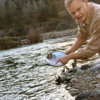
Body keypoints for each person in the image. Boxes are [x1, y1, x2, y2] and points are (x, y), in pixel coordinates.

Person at [56, 0, 100, 65]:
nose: (77, 14)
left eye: (79, 9)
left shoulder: (98, 18)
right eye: (73, 13)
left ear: (86, 2)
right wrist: (70, 51)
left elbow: (91, 50)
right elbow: (82, 36)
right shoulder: (81, 15)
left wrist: (69, 57)